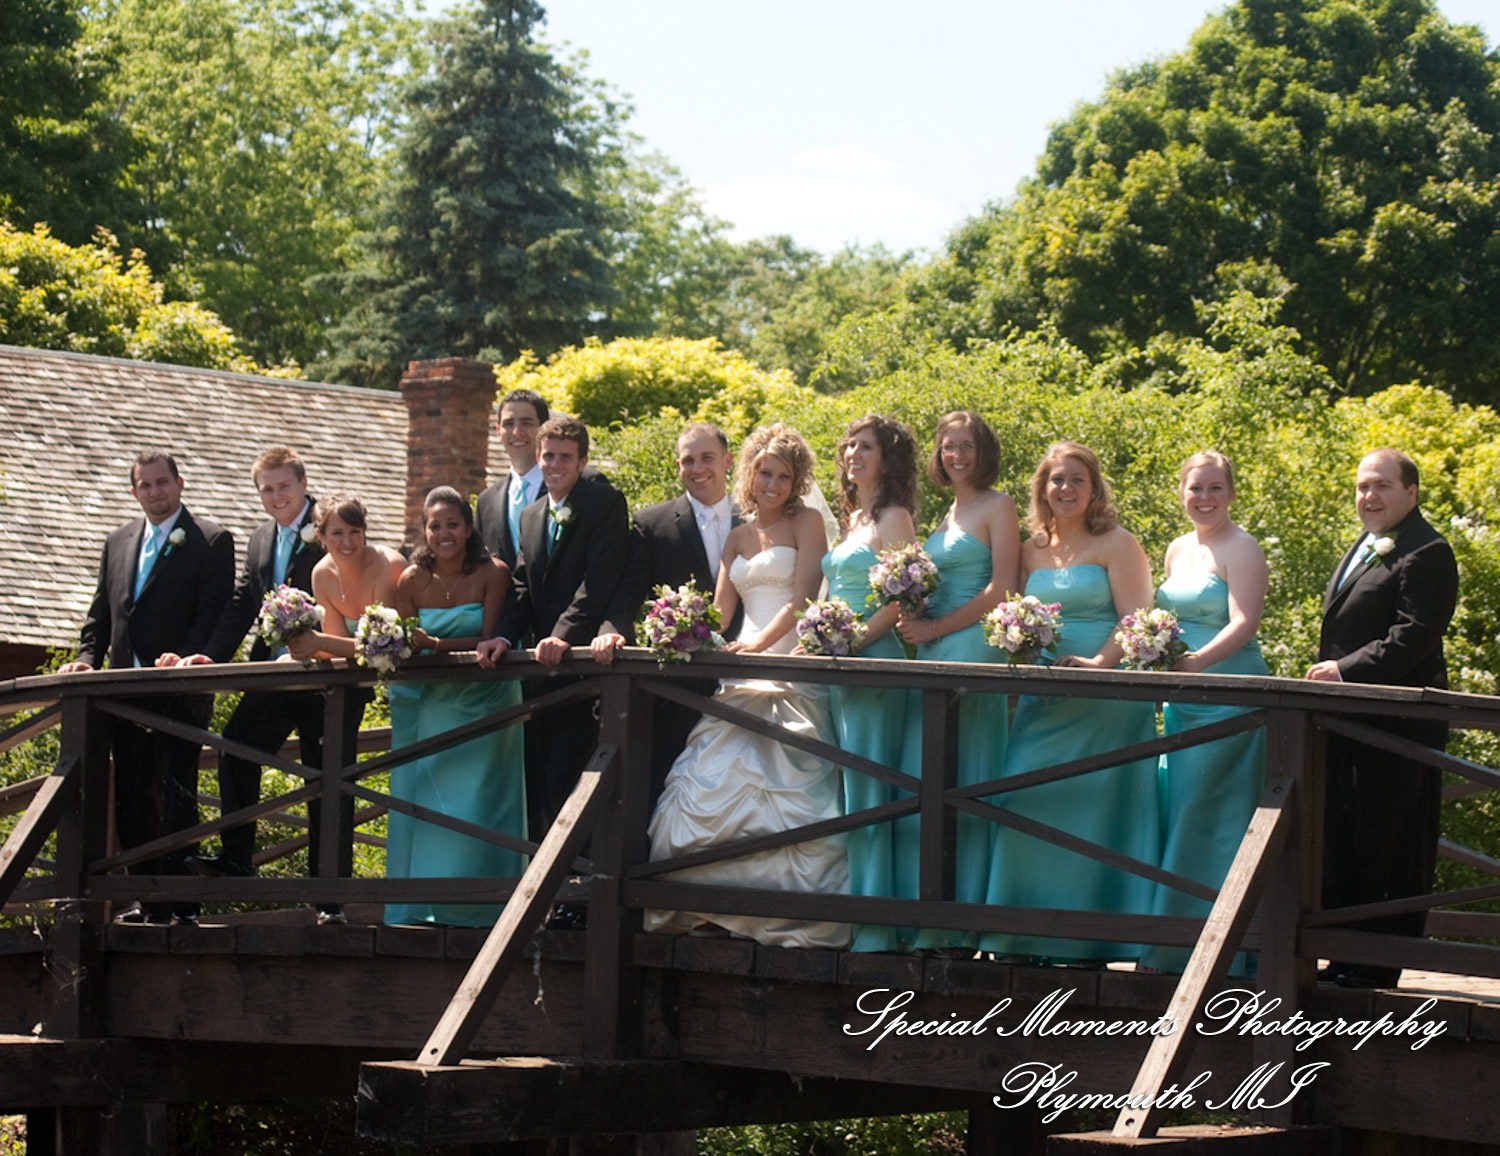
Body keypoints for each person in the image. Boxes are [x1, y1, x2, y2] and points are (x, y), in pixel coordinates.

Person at [644, 423, 850, 948]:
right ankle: (709, 908)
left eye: (784, 476)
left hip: (786, 662)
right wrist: (680, 626)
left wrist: (759, 647)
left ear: (797, 481)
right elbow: (718, 614)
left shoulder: (807, 524)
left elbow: (803, 599)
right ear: (750, 474)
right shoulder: (736, 535)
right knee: (706, 782)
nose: (773, 484)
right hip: (740, 667)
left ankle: (783, 914)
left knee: (791, 790)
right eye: (765, 473)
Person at [980, 440, 1159, 965]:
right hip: (1044, 698)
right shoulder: (1031, 549)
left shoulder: (1117, 544)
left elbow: (1136, 620)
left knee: (1094, 815)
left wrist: (1099, 666)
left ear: (1094, 488)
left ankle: (1089, 941)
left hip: (1104, 701)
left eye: (1077, 479)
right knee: (1025, 800)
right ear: (1041, 488)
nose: (1066, 489)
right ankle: (1017, 936)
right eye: (1056, 479)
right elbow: (1008, 617)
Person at [168, 447, 353, 924]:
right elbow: (240, 604)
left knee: (328, 777)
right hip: (272, 674)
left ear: (302, 483)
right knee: (236, 747)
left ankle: (330, 898)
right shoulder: (259, 539)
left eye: (284, 486)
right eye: (266, 489)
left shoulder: (330, 529)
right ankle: (237, 856)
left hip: (327, 676)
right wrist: (212, 654)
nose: (276, 496)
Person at [61, 449, 235, 924]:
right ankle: (142, 896)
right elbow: (102, 613)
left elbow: (213, 609)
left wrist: (188, 656)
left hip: (178, 687)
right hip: (123, 689)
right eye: (146, 485)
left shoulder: (211, 540)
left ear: (180, 484)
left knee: (177, 792)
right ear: (134, 490)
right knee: (131, 794)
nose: (155, 492)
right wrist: (84, 660)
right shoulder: (117, 541)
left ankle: (180, 902)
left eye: (163, 483)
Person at [1307, 448, 1458, 989]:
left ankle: (1376, 963)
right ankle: (1343, 953)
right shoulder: (1369, 545)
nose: (1368, 496)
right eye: (1362, 487)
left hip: (1396, 729)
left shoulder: (1428, 551)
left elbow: (1414, 636)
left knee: (1386, 844)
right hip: (1349, 724)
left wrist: (1343, 671)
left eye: (1381, 487)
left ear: (1411, 493)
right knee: (1343, 839)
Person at [477, 415, 628, 928]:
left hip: (586, 665)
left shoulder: (604, 504)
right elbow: (522, 589)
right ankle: (547, 895)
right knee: (540, 781)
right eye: (548, 456)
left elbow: (598, 582)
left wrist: (564, 634)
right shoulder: (532, 515)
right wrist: (501, 634)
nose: (555, 464)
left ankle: (579, 897)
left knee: (574, 777)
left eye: (565, 456)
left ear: (582, 461)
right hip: (539, 672)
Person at [1138, 451, 1269, 976]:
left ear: (1231, 493)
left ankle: (1227, 949)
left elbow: (1244, 622)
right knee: (1180, 811)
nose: (1205, 498)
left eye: (1216, 488)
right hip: (1184, 698)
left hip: (1231, 696)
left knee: (1213, 818)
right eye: (1196, 488)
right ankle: (1176, 942)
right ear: (1181, 492)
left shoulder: (1243, 547)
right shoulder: (1175, 550)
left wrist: (1194, 663)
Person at [383, 487, 525, 927]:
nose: (444, 533)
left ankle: (485, 907)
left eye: (453, 524)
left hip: (486, 701)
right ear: (424, 532)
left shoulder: (492, 572)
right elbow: (404, 641)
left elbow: (489, 634)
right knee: (433, 805)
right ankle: (428, 903)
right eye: (435, 526)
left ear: (468, 527)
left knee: (481, 803)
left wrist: (437, 644)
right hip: (432, 702)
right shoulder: (410, 581)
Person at [591, 422, 740, 802]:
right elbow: (627, 593)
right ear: (677, 466)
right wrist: (611, 629)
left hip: (747, 673)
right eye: (688, 460)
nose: (698, 468)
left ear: (728, 461)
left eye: (707, 458)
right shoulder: (651, 524)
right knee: (674, 785)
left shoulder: (759, 520)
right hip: (677, 683)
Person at [820, 414, 919, 953]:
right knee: (849, 789)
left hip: (872, 662)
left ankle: (879, 926)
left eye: (866, 447)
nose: (853, 453)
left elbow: (902, 596)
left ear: (888, 459)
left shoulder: (893, 516)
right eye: (849, 445)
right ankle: (858, 913)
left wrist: (852, 642)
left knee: (873, 790)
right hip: (839, 664)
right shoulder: (852, 517)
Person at [285, 494, 408, 663]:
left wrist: (318, 642)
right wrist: (303, 650)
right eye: (337, 533)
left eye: (355, 532)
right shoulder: (322, 574)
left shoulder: (388, 565)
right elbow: (339, 649)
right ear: (320, 536)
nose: (347, 542)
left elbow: (385, 645)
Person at [474, 388, 548, 570]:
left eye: (526, 423)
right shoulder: (486, 502)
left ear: (544, 428)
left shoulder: (569, 487)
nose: (516, 432)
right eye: (508, 423)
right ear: (498, 431)